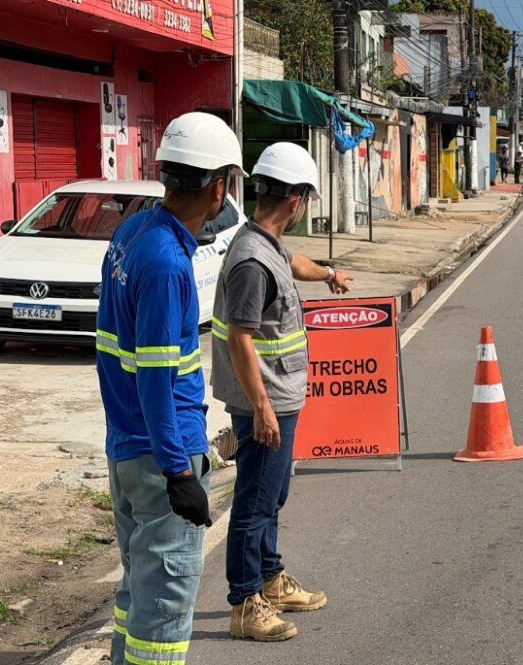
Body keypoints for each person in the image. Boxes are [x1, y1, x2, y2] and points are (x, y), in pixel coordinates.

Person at [96, 111, 243, 665]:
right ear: (219, 186)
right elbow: (157, 377)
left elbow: (115, 352)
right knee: (164, 606)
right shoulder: (165, 264)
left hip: (129, 450)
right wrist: (180, 472)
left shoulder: (134, 231)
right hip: (162, 460)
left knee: (138, 593)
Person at [210, 142, 354, 641]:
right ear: (296, 200)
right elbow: (239, 338)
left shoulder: (265, 244)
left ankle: (270, 578)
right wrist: (262, 408)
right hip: (265, 400)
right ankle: (245, 601)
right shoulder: (251, 260)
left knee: (273, 494)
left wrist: (330, 274)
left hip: (278, 396)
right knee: (254, 502)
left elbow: (294, 264)